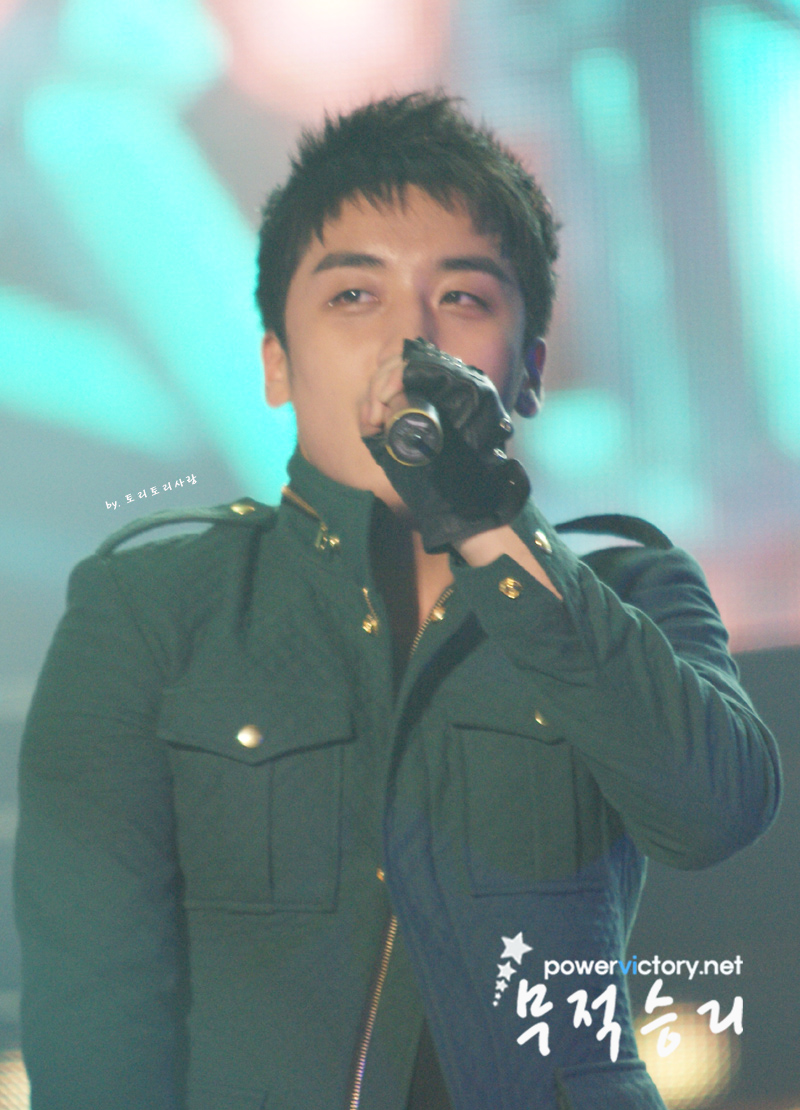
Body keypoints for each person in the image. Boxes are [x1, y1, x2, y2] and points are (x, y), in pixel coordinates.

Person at [14, 92, 780, 1110]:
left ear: (529, 372)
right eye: (353, 296)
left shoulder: (629, 592)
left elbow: (714, 815)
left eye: (462, 298)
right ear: (276, 362)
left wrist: (483, 515)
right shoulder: (151, 607)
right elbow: (92, 1004)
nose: (410, 342)